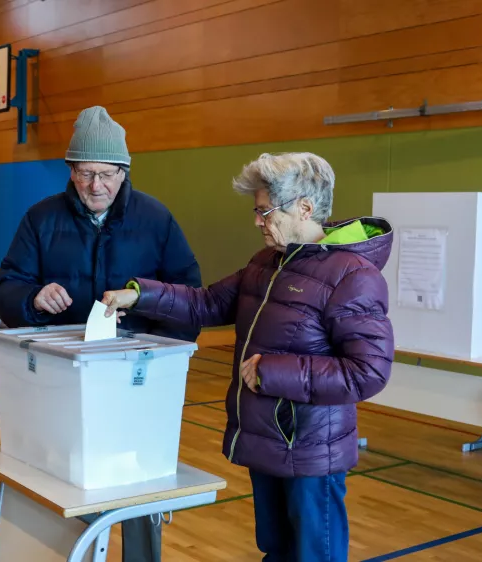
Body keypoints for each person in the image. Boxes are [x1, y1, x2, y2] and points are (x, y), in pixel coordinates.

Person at [102, 152, 394, 562]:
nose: (258, 222)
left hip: (312, 449)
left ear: (305, 208)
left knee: (315, 555)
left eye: (265, 212)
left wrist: (272, 372)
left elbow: (368, 372)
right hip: (267, 439)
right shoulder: (265, 265)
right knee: (275, 550)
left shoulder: (354, 276)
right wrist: (139, 295)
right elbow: (206, 303)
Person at [0, 106, 202, 562]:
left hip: (136, 379)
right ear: (70, 171)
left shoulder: (156, 219)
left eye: (107, 174)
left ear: (124, 172)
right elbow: (5, 287)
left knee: (141, 482)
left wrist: (142, 300)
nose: (96, 186)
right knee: (68, 480)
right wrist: (32, 299)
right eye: (85, 174)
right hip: (63, 376)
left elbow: (190, 294)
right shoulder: (41, 219)